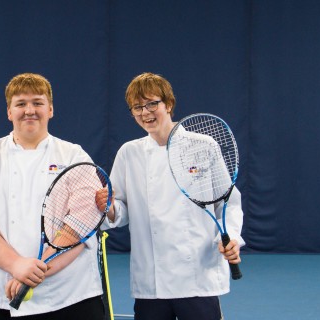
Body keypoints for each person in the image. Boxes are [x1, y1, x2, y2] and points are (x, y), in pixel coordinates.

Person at [0, 73, 105, 319]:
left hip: (69, 294)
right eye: (21, 104)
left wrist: (36, 271)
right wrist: (15, 265)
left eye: (37, 103)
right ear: (9, 112)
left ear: (51, 109)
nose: (29, 110)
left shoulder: (75, 156)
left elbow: (82, 222)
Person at [96, 72, 245, 320]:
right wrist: (109, 208)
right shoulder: (129, 153)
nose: (145, 112)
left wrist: (231, 238)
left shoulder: (204, 145)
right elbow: (119, 209)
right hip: (151, 281)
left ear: (169, 104)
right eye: (137, 107)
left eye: (152, 103)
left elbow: (227, 202)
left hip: (198, 275)